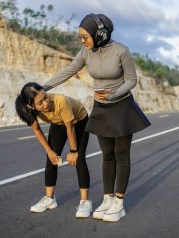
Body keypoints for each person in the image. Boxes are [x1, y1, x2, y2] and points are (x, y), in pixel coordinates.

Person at [43, 13, 151, 222]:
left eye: (85, 36)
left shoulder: (121, 51)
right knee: (106, 155)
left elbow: (131, 80)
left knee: (121, 154)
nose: (82, 41)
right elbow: (68, 71)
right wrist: (43, 87)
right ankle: (107, 198)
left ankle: (119, 202)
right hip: (101, 108)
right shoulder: (86, 52)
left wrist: (114, 93)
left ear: (100, 33)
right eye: (80, 37)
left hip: (121, 106)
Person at [15, 82, 92, 218]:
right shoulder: (29, 110)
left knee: (79, 159)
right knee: (52, 158)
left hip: (79, 121)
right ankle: (50, 199)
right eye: (40, 102)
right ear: (30, 106)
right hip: (58, 123)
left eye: (45, 97)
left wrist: (73, 151)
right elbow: (38, 130)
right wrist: (49, 151)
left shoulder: (60, 101)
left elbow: (70, 129)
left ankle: (85, 202)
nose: (46, 103)